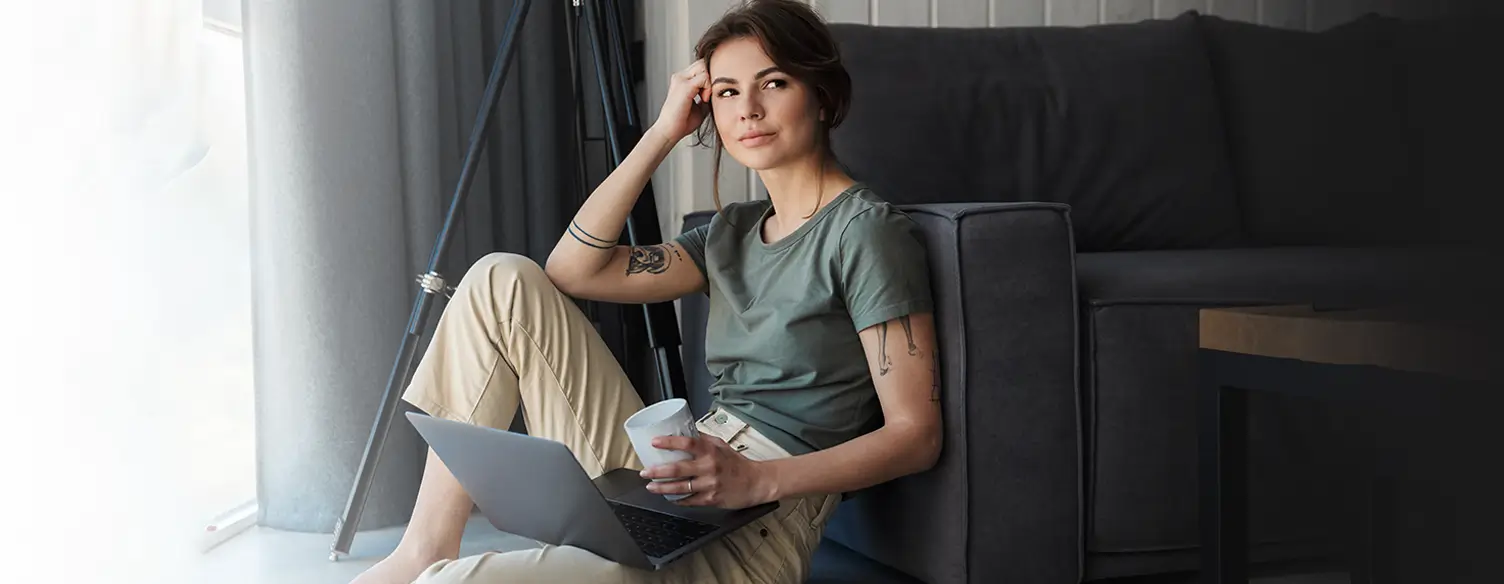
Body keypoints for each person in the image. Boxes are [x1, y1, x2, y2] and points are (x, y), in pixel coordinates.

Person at [351, 1, 940, 582]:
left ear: (822, 96)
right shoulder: (730, 232)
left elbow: (915, 435)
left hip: (757, 528)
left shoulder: (865, 232)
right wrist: (661, 132)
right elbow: (571, 270)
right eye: (728, 92)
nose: (750, 109)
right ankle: (426, 543)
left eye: (774, 82)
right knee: (499, 279)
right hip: (673, 479)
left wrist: (757, 480)